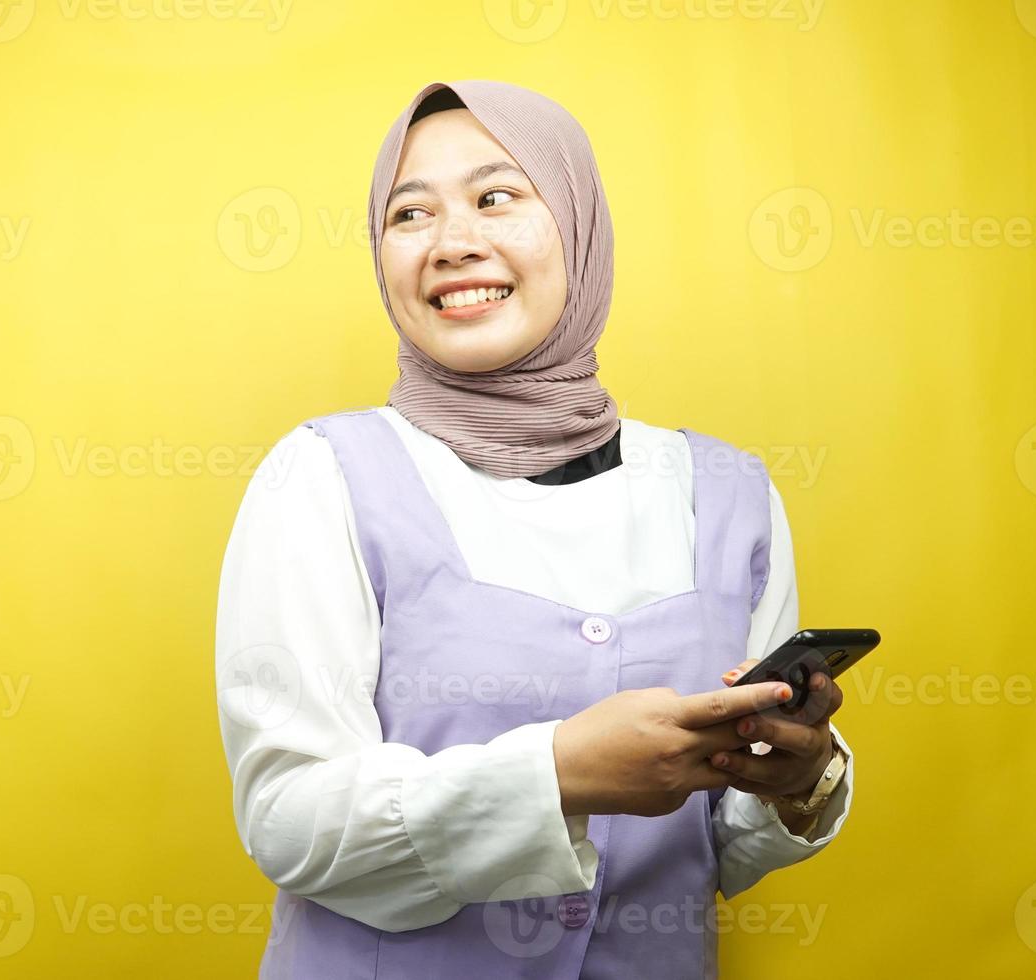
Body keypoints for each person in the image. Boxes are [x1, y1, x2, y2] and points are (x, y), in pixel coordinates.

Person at [215, 79, 853, 980]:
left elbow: (722, 852)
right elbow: (289, 817)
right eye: (409, 214)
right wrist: (557, 772)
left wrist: (795, 784)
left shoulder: (727, 490)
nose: (452, 243)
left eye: (496, 196)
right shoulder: (321, 475)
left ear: (581, 224)